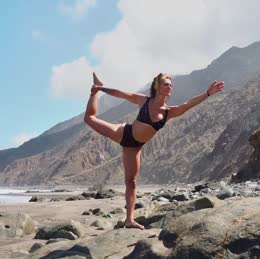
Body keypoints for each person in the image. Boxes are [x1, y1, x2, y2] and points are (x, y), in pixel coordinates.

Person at [84, 72, 225, 229]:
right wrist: (101, 89)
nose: (170, 87)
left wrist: (207, 93)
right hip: (124, 133)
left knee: (131, 182)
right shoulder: (143, 101)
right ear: (157, 86)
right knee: (89, 118)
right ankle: (94, 92)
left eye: (171, 85)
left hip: (135, 147)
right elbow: (121, 94)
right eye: (166, 84)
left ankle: (129, 219)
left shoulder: (168, 112)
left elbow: (188, 104)